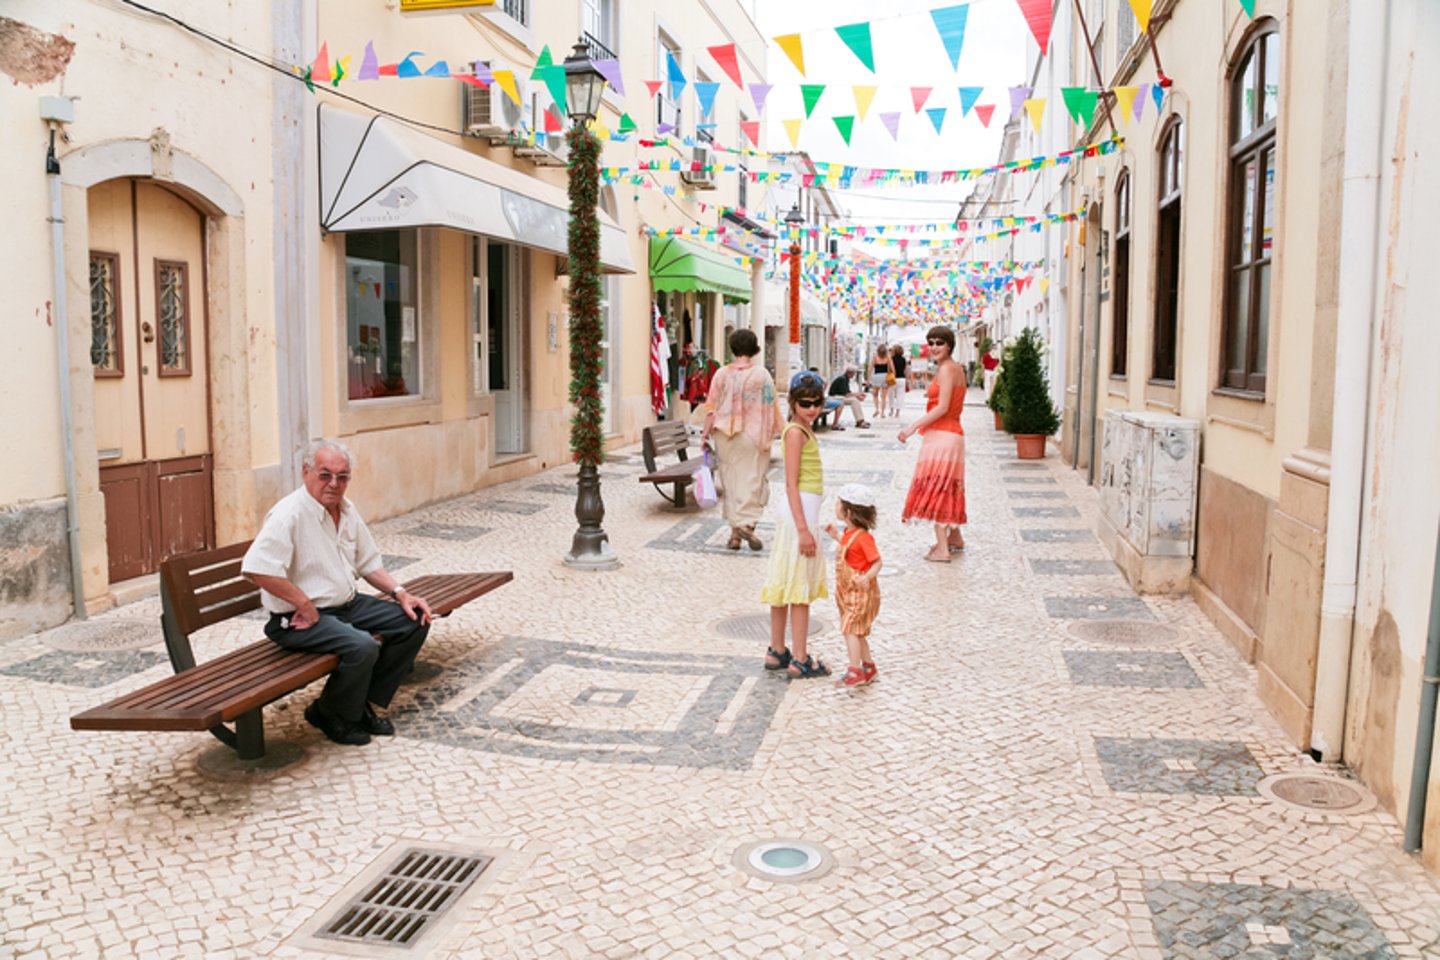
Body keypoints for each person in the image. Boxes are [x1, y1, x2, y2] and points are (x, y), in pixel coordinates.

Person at [241, 439, 434, 746]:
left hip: (346, 605)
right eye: (325, 474)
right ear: (306, 473)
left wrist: (401, 593)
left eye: (342, 476)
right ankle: (329, 713)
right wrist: (302, 603)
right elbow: (256, 567)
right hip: (297, 620)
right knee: (363, 647)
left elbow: (368, 563)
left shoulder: (345, 509)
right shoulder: (289, 514)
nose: (334, 483)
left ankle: (358, 706)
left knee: (414, 620)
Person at [760, 370, 831, 679]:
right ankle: (800, 657)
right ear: (792, 403)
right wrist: (803, 529)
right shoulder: (795, 433)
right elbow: (790, 484)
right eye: (805, 404)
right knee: (798, 588)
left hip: (802, 516)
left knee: (786, 582)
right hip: (798, 518)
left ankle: (777, 650)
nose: (812, 409)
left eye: (816, 403)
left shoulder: (803, 430)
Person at [701, 329, 783, 552]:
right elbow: (770, 405)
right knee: (753, 480)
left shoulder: (721, 373)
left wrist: (705, 434)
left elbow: (711, 407)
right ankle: (748, 524)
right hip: (752, 434)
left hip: (724, 435)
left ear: (733, 347)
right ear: (755, 348)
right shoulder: (762, 375)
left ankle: (735, 535)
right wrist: (776, 431)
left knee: (731, 482)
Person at [898, 326, 968, 563]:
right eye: (931, 342)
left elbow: (943, 407)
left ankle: (942, 549)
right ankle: (955, 537)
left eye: (940, 342)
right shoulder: (955, 368)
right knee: (949, 486)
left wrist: (912, 427)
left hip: (943, 436)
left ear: (949, 345)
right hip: (951, 435)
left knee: (938, 487)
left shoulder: (947, 370)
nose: (935, 346)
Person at [822, 483, 881, 689]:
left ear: (849, 511)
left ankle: (855, 669)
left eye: (838, 502)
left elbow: (877, 562)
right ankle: (868, 667)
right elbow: (849, 549)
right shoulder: (849, 533)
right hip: (848, 592)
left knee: (850, 628)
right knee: (857, 631)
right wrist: (836, 537)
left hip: (860, 593)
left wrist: (869, 576)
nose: (835, 505)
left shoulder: (864, 538)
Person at [869, 344, 894, 420]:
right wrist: (893, 378)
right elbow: (892, 369)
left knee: (875, 395)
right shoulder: (888, 358)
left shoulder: (875, 358)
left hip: (876, 377)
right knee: (883, 397)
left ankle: (876, 409)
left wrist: (868, 379)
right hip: (885, 377)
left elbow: (870, 369)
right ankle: (882, 412)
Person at [888, 344, 908, 418]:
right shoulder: (904, 359)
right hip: (902, 379)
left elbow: (889, 369)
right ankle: (897, 412)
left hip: (892, 378)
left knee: (891, 395)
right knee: (900, 395)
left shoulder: (891, 359)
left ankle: (891, 410)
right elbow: (905, 370)